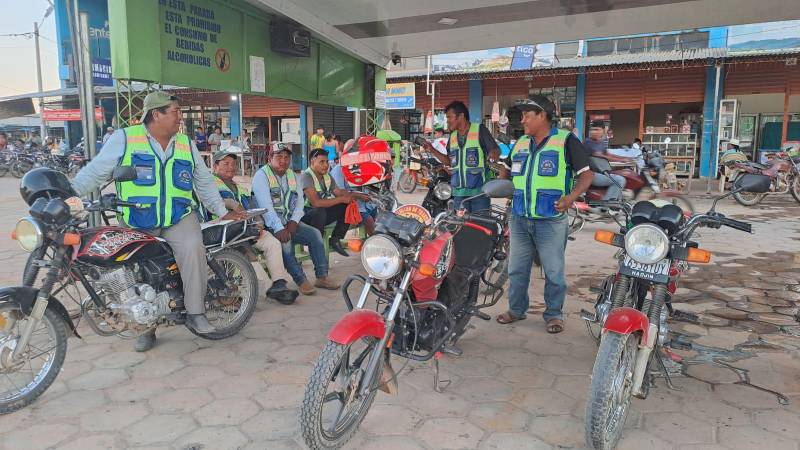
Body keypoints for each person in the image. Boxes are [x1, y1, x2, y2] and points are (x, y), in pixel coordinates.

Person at [71, 91, 246, 352]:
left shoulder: (185, 143)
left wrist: (221, 210)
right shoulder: (126, 138)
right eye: (175, 112)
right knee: (137, 271)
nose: (179, 118)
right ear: (156, 114)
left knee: (192, 249)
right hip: (138, 218)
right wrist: (68, 195)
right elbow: (95, 173)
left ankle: (196, 313)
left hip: (178, 217)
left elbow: (204, 182)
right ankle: (146, 327)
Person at [495, 96, 593, 334]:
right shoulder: (519, 144)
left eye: (527, 115)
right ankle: (516, 310)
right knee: (517, 269)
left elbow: (586, 175)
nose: (523, 120)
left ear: (543, 116)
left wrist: (571, 197)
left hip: (551, 220)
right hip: (519, 218)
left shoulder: (566, 141)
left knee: (553, 271)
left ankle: (553, 314)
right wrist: (498, 187)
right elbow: (505, 173)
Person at [209, 149, 299, 305]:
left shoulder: (239, 187)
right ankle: (268, 289)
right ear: (215, 167)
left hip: (245, 229)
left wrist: (258, 223)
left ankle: (279, 282)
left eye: (233, 164)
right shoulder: (209, 184)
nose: (231, 167)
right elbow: (209, 203)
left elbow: (252, 207)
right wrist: (229, 204)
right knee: (249, 255)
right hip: (224, 234)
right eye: (226, 164)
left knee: (272, 242)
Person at [251, 142, 340, 295]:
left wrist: (294, 221)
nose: (283, 161)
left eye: (287, 157)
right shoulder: (261, 175)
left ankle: (322, 276)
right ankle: (301, 280)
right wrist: (279, 228)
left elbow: (299, 202)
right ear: (269, 158)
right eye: (279, 156)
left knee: (315, 234)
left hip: (289, 222)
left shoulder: (293, 175)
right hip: (269, 225)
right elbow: (266, 207)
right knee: (286, 243)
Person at [423, 101, 501, 212]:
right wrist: (432, 150)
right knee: (459, 227)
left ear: (461, 116)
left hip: (479, 194)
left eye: (449, 117)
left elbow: (496, 150)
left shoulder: (480, 130)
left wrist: (493, 153)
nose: (447, 121)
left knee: (480, 226)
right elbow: (450, 162)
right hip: (458, 194)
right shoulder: (453, 136)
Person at [301, 148, 369, 256]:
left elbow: (339, 192)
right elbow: (316, 203)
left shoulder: (327, 176)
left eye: (327, 161)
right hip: (306, 216)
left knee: (346, 205)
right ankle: (316, 244)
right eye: (321, 162)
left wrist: (357, 195)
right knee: (320, 211)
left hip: (321, 214)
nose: (326, 165)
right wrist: (342, 199)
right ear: (312, 162)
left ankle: (335, 239)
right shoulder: (306, 176)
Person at [330, 139, 378, 235]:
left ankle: (373, 240)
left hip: (362, 203)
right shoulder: (338, 169)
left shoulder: (356, 167)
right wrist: (359, 196)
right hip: (348, 205)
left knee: (379, 215)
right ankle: (375, 242)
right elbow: (340, 194)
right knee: (369, 221)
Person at [585, 120, 629, 201]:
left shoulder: (600, 142)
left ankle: (617, 203)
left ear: (603, 130)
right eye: (592, 130)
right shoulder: (588, 142)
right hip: (592, 174)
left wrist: (624, 158)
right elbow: (599, 155)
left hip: (601, 171)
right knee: (620, 180)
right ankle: (606, 204)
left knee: (624, 176)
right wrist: (621, 161)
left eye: (597, 129)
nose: (594, 132)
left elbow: (608, 154)